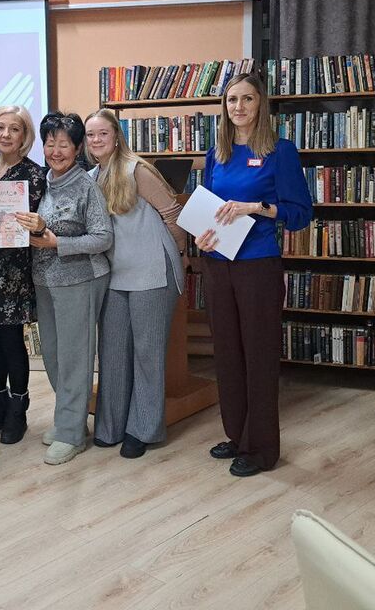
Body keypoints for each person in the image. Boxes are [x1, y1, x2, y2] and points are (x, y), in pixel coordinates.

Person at [195, 73, 313, 478]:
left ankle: (261, 448)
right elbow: (211, 209)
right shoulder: (217, 153)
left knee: (258, 356)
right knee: (227, 354)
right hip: (218, 263)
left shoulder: (281, 151)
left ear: (261, 103)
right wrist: (204, 236)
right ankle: (237, 435)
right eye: (232, 100)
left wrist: (257, 207)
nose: (239, 107)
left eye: (247, 99)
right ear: (224, 106)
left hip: (258, 265)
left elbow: (301, 214)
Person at [84, 108, 186, 458]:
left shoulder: (137, 169)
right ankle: (110, 426)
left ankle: (142, 429)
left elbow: (172, 214)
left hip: (152, 272)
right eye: (91, 135)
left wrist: (179, 256)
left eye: (103, 133)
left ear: (117, 136)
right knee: (112, 353)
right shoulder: (91, 176)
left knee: (147, 353)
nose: (96, 140)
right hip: (114, 276)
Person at [15, 112, 112, 465]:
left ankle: (71, 434)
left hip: (80, 278)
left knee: (75, 358)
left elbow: (103, 237)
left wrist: (58, 242)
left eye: (64, 144)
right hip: (45, 279)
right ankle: (70, 419)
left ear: (77, 147)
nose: (56, 151)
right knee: (54, 356)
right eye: (50, 143)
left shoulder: (86, 185)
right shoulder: (43, 182)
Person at [0, 106, 45, 445]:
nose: (6, 134)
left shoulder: (34, 173)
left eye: (14, 129)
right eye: (0, 127)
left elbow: (37, 221)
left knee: (11, 341)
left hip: (14, 268)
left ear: (24, 135)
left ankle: (18, 411)